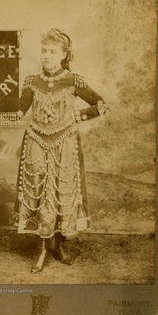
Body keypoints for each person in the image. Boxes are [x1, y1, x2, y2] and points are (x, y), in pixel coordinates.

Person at [14, 28, 106, 273]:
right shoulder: (32, 82)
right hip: (35, 142)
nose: (46, 56)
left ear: (64, 55)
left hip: (65, 144)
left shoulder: (74, 81)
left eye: (52, 52)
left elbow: (100, 105)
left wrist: (79, 115)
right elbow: (18, 110)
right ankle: (44, 248)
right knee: (39, 191)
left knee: (63, 191)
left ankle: (59, 246)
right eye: (44, 50)